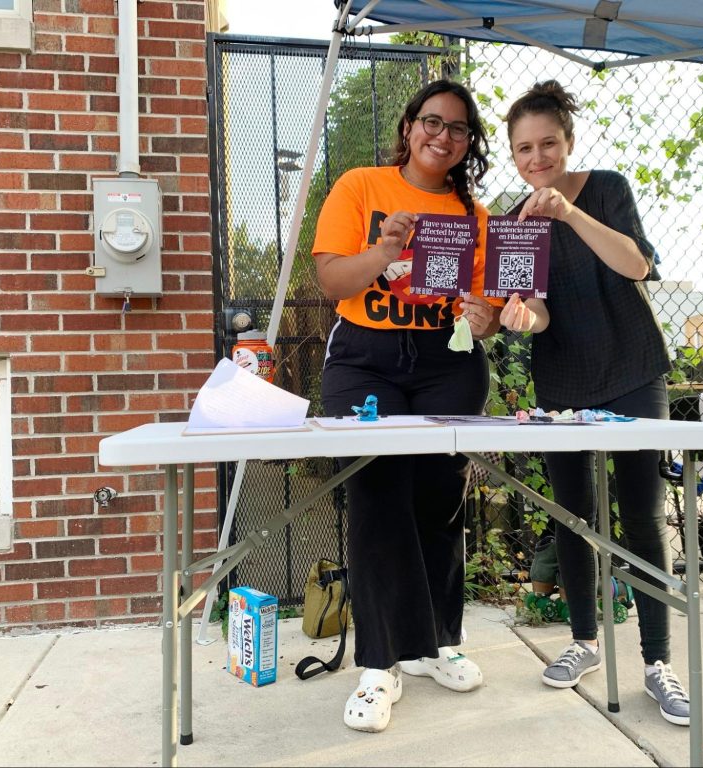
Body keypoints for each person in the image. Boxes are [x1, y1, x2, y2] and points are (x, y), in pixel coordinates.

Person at [497, 81, 690, 727]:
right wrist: (523, 318)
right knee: (572, 514)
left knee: (641, 514)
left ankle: (658, 662)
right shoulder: (510, 220)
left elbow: (636, 266)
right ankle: (583, 642)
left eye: (548, 143)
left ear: (567, 143)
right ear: (513, 154)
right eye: (524, 148)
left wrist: (570, 214)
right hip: (562, 378)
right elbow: (540, 314)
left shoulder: (606, 187)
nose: (537, 157)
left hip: (633, 368)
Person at [312, 79, 501, 734]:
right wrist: (386, 250)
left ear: (467, 143)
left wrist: (485, 319)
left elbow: (487, 313)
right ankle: (379, 663)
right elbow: (332, 280)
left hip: (447, 361)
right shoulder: (361, 187)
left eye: (456, 128)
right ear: (408, 126)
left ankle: (433, 643)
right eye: (431, 121)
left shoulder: (475, 216)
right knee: (376, 494)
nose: (441, 135)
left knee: (438, 499)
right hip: (366, 357)